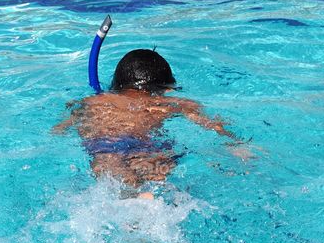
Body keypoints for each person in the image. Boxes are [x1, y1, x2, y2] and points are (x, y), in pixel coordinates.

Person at [53, 48, 251, 197]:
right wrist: (237, 145)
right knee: (156, 185)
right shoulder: (169, 103)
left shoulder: (89, 102)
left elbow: (59, 131)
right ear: (167, 87)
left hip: (103, 148)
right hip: (143, 146)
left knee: (116, 186)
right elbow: (214, 125)